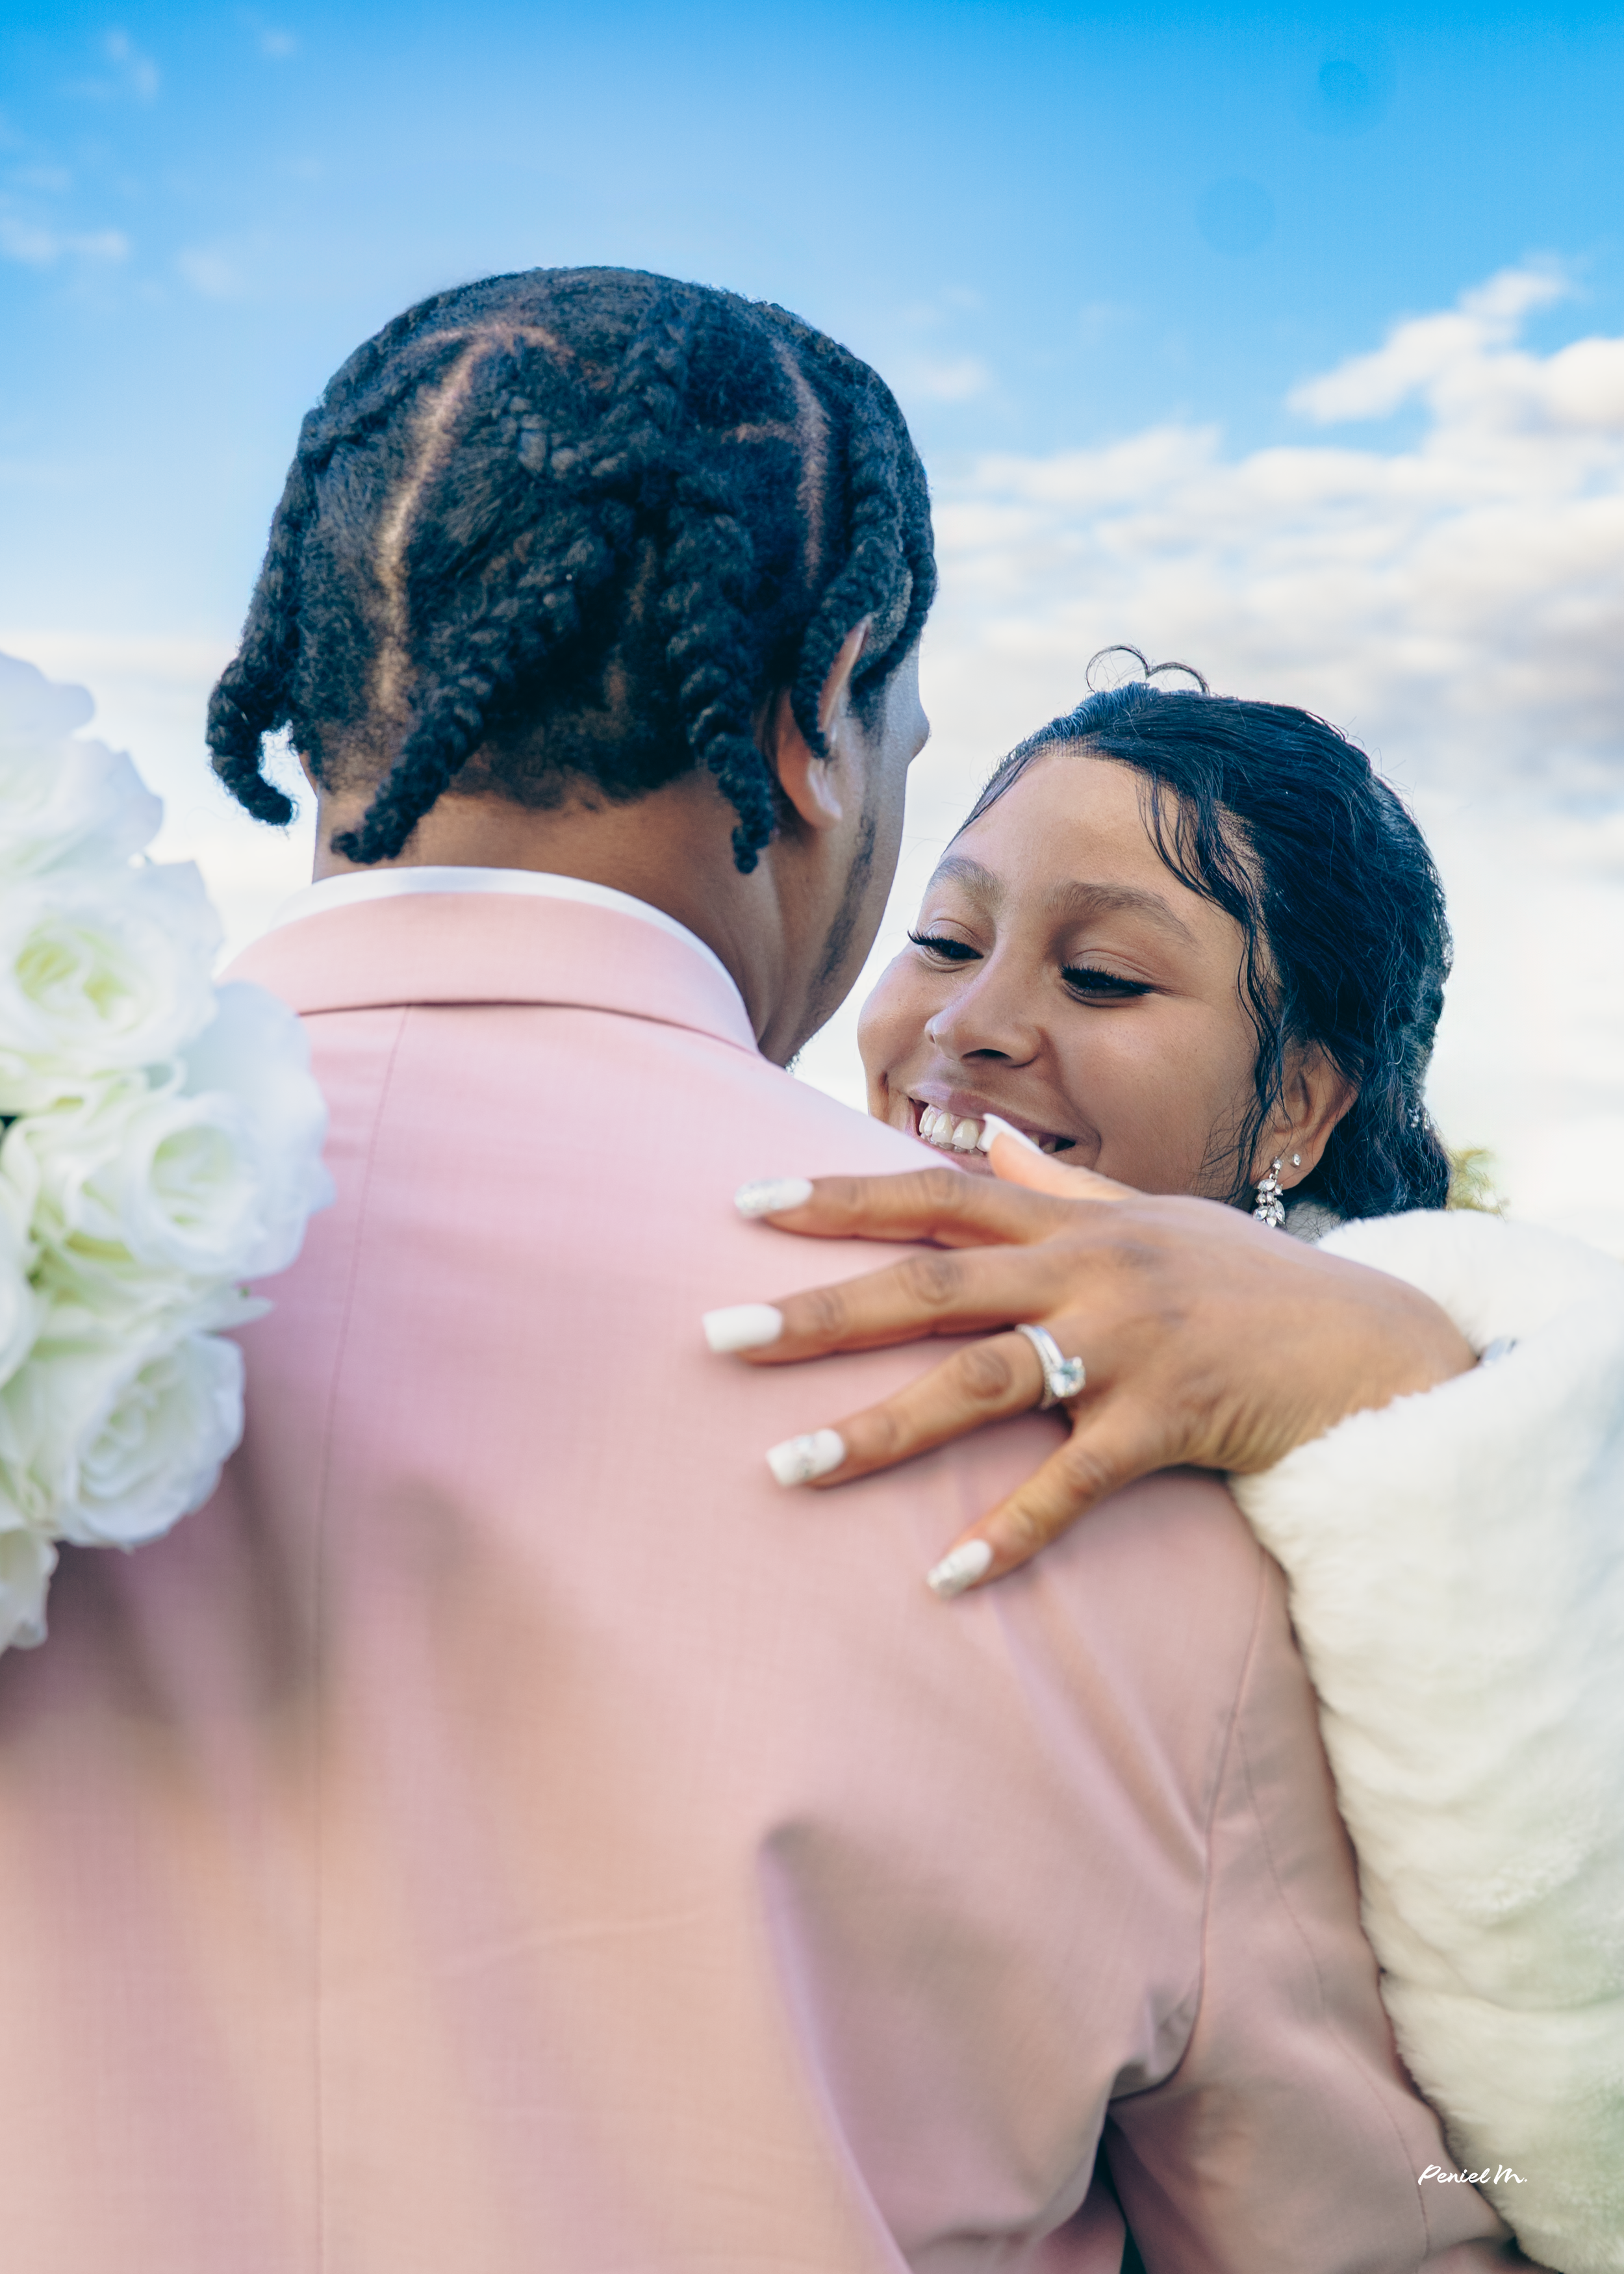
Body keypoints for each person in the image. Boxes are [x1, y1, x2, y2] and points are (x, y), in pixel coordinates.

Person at [0, 267, 1519, 2270]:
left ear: (312, 669)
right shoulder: (1122, 1502)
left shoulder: (46, 1219)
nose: (975, 1021)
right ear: (823, 714)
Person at [713, 667, 1624, 2271]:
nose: (970, 1022)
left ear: (1295, 1104)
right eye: (940, 938)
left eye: (1103, 976)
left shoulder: (1436, 1440)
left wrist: (1392, 1382)